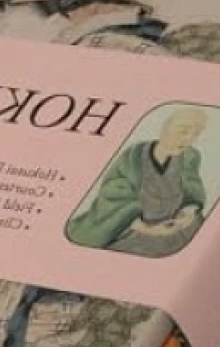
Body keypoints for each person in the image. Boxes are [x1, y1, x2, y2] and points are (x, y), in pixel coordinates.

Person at [68, 107, 209, 257]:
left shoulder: (190, 155)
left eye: (196, 133)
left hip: (178, 225)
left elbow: (192, 187)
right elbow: (113, 196)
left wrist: (189, 210)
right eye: (183, 131)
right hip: (134, 228)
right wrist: (146, 228)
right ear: (165, 128)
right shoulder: (133, 157)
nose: (189, 139)